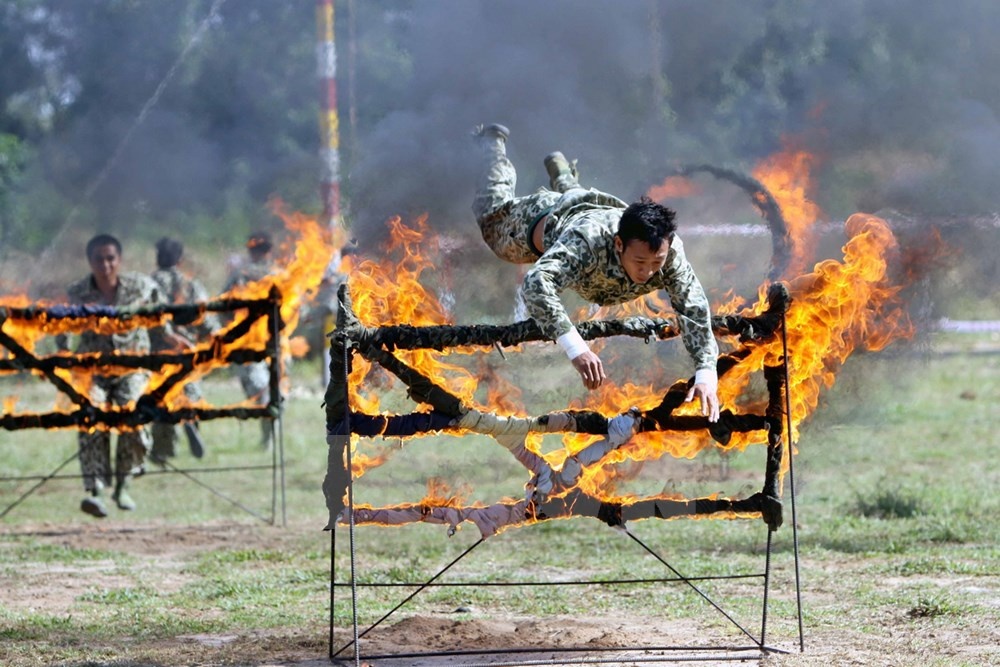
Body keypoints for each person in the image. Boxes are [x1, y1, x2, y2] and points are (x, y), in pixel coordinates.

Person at [472, 123, 720, 420]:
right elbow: (537, 284)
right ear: (619, 244)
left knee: (581, 204)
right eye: (640, 262)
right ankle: (493, 145)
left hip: (597, 208)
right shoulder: (586, 243)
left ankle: (565, 177)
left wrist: (706, 374)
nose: (648, 273)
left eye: (657, 264)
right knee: (492, 221)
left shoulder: (671, 254)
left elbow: (693, 309)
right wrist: (576, 348)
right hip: (544, 219)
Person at [60, 234, 176, 518]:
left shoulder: (140, 286)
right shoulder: (77, 292)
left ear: (119, 260)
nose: (105, 265)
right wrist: (62, 353)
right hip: (93, 369)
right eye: (99, 259)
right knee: (91, 414)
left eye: (110, 258)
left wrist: (170, 337)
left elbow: (160, 312)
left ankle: (124, 484)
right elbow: (62, 325)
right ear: (90, 262)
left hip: (131, 368)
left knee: (133, 414)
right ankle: (96, 490)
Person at [148, 237, 220, 465]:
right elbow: (205, 316)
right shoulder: (191, 284)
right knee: (190, 390)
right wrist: (215, 336)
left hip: (159, 350)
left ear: (158, 258)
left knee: (161, 398)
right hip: (188, 348)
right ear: (179, 259)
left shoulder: (149, 284)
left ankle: (162, 451)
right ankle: (190, 420)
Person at [222, 230, 280, 449]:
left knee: (267, 392)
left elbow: (223, 305)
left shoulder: (246, 274)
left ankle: (269, 436)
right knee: (266, 391)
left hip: (261, 343)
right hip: (263, 343)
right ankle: (268, 437)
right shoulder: (275, 274)